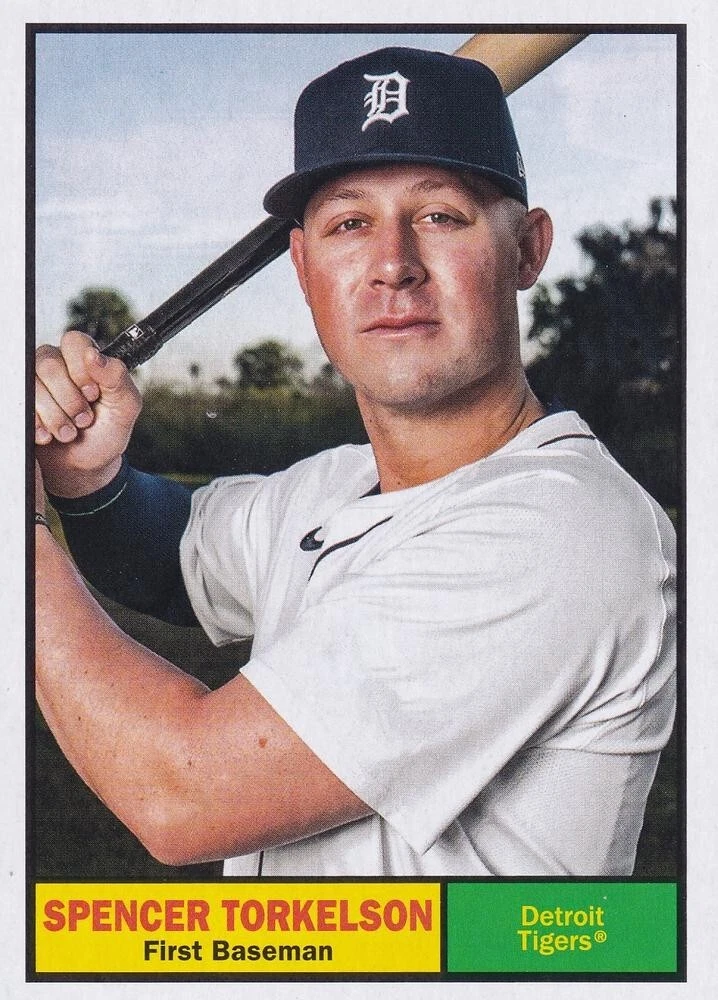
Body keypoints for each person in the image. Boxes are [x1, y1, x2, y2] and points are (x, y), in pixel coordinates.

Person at [34, 47, 676, 877]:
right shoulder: (337, 483)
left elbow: (181, 792)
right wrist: (85, 479)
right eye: (349, 224)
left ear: (528, 250)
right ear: (304, 269)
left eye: (439, 215)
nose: (393, 265)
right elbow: (170, 553)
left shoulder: (562, 530)